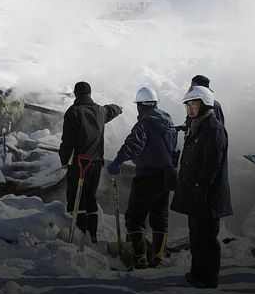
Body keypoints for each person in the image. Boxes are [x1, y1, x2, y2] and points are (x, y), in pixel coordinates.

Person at [107, 85, 179, 267]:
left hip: (147, 177)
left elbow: (134, 144)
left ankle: (140, 259)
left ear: (140, 105)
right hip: (166, 177)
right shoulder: (168, 122)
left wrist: (117, 161)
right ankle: (158, 258)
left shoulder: (145, 123)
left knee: (135, 218)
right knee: (159, 218)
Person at [172, 84, 232, 289]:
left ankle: (208, 277)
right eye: (188, 104)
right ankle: (198, 273)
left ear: (206, 105)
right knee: (196, 234)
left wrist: (201, 188)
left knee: (207, 237)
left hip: (207, 194)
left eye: (195, 104)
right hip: (197, 192)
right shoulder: (198, 126)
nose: (190, 108)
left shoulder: (213, 129)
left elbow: (211, 164)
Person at [58, 81, 123, 244]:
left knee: (77, 197)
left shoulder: (73, 112)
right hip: (96, 163)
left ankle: (79, 233)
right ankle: (91, 234)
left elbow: (68, 140)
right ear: (90, 93)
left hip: (79, 163)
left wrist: (64, 159)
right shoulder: (100, 111)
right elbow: (112, 110)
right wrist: (119, 108)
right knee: (90, 197)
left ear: (75, 93)